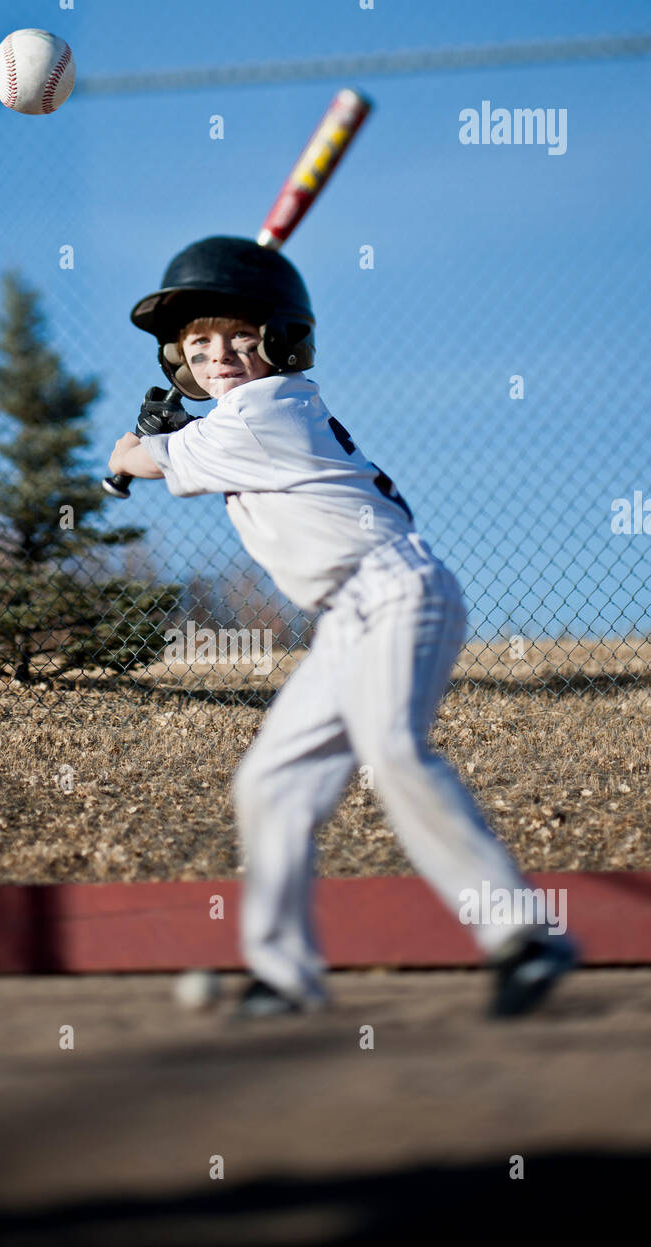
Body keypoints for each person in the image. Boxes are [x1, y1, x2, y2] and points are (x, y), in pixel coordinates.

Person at [107, 236, 578, 1020]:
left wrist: (130, 450)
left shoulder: (266, 412)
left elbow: (151, 462)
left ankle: (525, 936)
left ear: (284, 343)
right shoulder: (239, 419)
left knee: (393, 750)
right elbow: (187, 448)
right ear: (178, 360)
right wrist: (170, 433)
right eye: (198, 343)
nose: (219, 354)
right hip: (348, 620)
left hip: (396, 593)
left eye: (240, 338)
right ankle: (283, 972)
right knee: (271, 782)